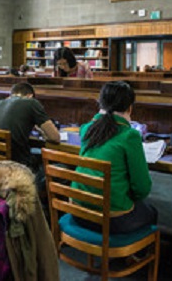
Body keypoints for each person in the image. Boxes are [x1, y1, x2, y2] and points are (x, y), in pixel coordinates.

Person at [72, 81, 157, 234]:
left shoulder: (86, 129)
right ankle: (126, 256)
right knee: (151, 212)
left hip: (78, 210)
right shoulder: (129, 136)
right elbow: (142, 188)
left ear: (100, 103)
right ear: (130, 108)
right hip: (110, 219)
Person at [0, 83, 60, 171]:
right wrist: (41, 132)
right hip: (18, 164)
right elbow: (55, 138)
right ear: (30, 96)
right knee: (59, 163)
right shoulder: (31, 102)